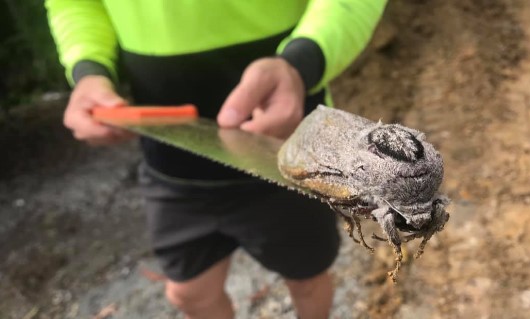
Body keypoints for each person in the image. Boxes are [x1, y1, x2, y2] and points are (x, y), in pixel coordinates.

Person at [45, 1, 387, 318]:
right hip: (171, 164)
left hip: (286, 155)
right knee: (189, 294)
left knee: (307, 278)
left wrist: (302, 63)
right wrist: (88, 70)